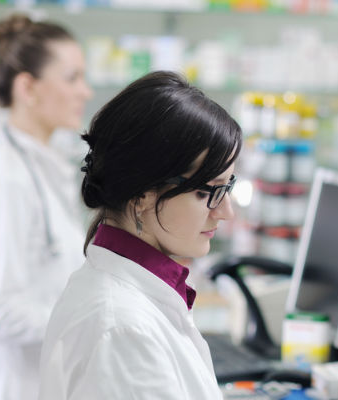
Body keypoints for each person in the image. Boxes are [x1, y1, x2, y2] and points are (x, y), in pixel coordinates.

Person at [38, 71, 242, 399]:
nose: (226, 211)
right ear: (143, 195)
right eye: (210, 191)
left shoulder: (129, 295)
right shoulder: (123, 330)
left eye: (228, 186)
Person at [0, 14, 92, 400]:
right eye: (72, 78)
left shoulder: (40, 165)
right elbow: (3, 314)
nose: (85, 91)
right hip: (6, 386)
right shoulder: (5, 180)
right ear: (27, 87)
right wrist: (94, 322)